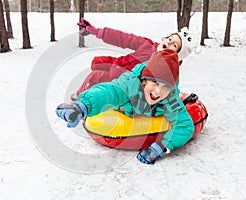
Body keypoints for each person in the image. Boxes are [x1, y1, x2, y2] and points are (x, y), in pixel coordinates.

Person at [56, 49, 194, 165]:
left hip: (144, 116)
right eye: (155, 83)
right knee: (107, 88)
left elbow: (184, 126)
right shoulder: (129, 84)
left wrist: (160, 148)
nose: (158, 92)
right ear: (145, 80)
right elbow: (109, 91)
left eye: (165, 87)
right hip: (122, 109)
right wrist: (82, 106)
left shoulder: (170, 99)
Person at [71, 18, 198, 100]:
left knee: (96, 76)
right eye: (170, 39)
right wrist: (98, 32)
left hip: (130, 85)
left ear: (178, 54)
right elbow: (125, 38)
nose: (169, 43)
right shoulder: (147, 45)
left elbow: (170, 88)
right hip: (118, 70)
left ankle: (80, 99)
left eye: (174, 45)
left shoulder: (168, 68)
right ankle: (88, 96)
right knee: (98, 65)